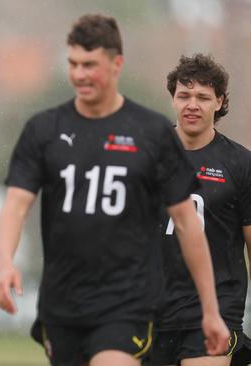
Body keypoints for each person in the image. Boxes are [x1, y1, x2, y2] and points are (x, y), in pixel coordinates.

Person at [0, 14, 229, 366]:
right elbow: (15, 205)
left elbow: (186, 223)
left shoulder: (150, 132)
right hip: (62, 304)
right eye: (73, 63)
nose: (80, 74)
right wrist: (5, 262)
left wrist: (211, 310)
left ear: (116, 63)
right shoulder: (43, 129)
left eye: (90, 64)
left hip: (128, 302)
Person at [148, 54, 251, 365]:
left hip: (215, 313)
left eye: (203, 97)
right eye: (184, 95)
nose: (192, 104)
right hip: (149, 314)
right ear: (173, 100)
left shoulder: (240, 164)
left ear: (218, 102)